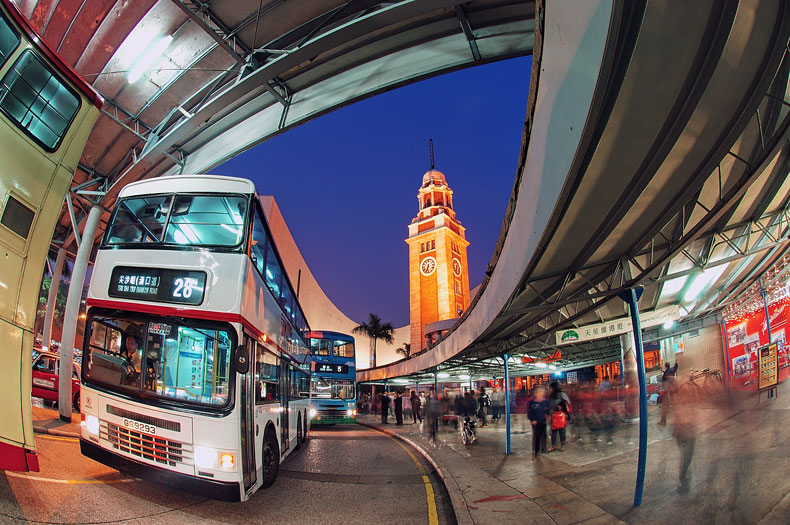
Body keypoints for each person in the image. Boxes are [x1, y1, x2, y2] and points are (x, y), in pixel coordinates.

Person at [547, 382, 570, 451]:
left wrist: (562, 408)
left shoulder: (561, 394)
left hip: (561, 415)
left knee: (562, 431)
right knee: (553, 431)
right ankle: (553, 445)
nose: (549, 389)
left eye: (550, 388)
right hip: (553, 415)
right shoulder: (551, 396)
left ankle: (562, 445)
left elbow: (567, 403)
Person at [528, 385, 549, 458]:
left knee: (544, 435)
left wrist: (547, 416)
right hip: (536, 422)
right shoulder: (532, 402)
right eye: (538, 392)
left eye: (542, 392)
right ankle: (536, 450)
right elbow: (530, 412)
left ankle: (544, 448)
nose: (540, 393)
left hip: (543, 421)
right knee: (537, 437)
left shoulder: (545, 401)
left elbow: (547, 410)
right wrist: (532, 419)